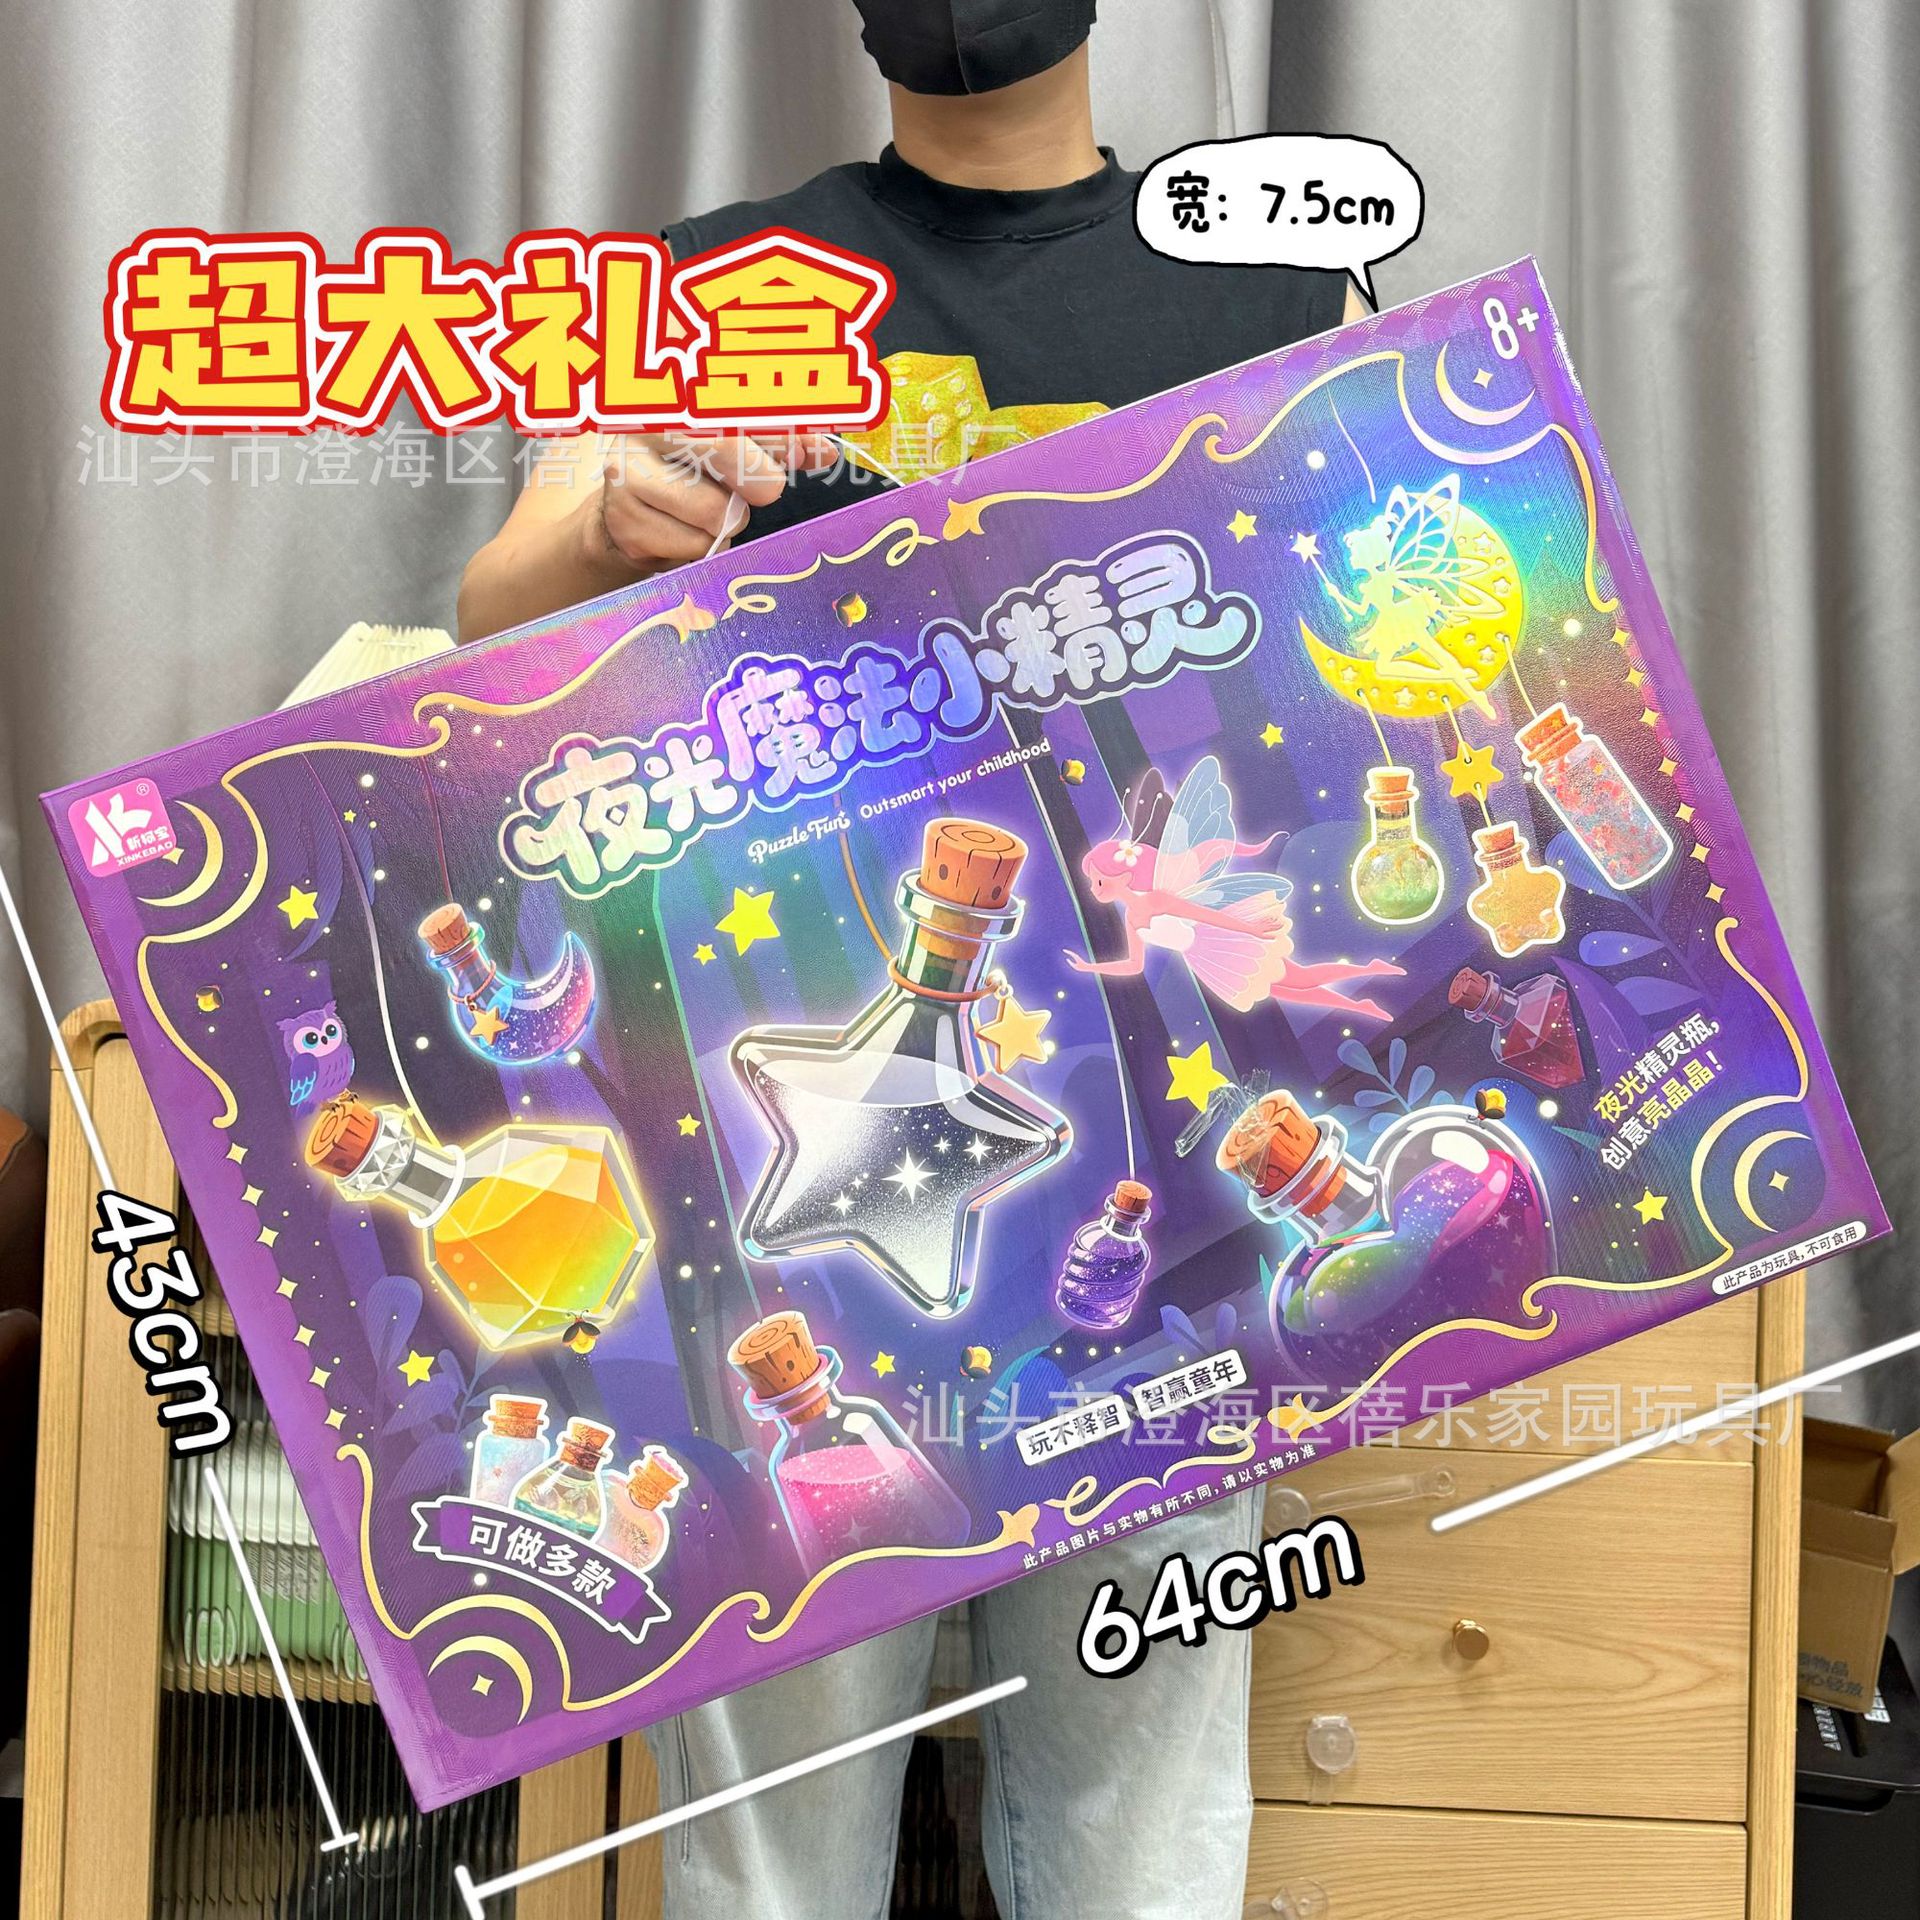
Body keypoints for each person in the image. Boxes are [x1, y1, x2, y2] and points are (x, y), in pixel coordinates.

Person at [460, 7, 1364, 1915]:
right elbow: (494, 616)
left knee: (1139, 1831)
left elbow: (1375, 686)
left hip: (1178, 1166)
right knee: (770, 1848)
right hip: (787, 1170)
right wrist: (610, 532)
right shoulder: (714, 279)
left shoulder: (1283, 286)